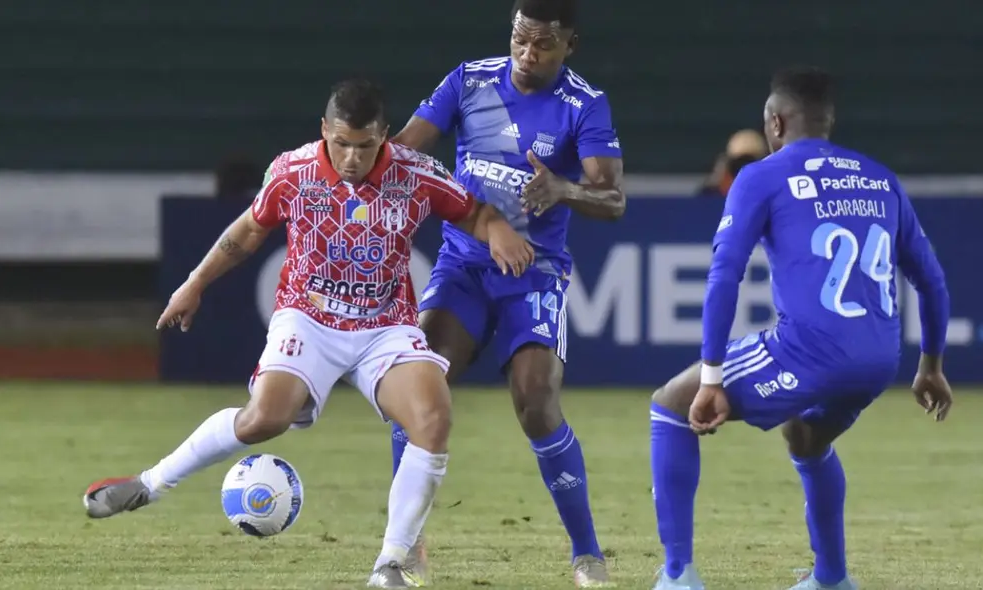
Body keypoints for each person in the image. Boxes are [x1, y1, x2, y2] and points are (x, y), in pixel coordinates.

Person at [82, 78, 534, 589]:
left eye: (365, 146)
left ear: (384, 135)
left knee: (433, 418)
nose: (351, 158)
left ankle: (390, 563)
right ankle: (149, 484)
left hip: (385, 325)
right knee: (264, 419)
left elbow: (472, 211)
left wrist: (497, 228)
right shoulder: (293, 171)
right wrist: (195, 283)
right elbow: (249, 230)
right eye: (341, 143)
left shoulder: (416, 173)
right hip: (309, 317)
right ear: (324, 130)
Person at [648, 66, 953, 590]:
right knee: (806, 437)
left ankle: (677, 576)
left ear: (775, 122)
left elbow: (725, 275)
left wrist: (712, 377)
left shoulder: (761, 176)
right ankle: (831, 578)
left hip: (811, 350)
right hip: (880, 359)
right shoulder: (879, 178)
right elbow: (932, 280)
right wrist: (932, 366)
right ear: (827, 122)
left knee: (671, 404)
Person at [389, 0, 625, 586]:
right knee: (418, 383)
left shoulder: (584, 103)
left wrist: (565, 189)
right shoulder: (469, 80)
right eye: (520, 38)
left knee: (536, 400)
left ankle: (587, 554)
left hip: (535, 273)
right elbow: (403, 153)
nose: (527, 53)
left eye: (543, 44)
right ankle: (406, 543)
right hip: (464, 265)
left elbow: (612, 198)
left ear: (569, 45)